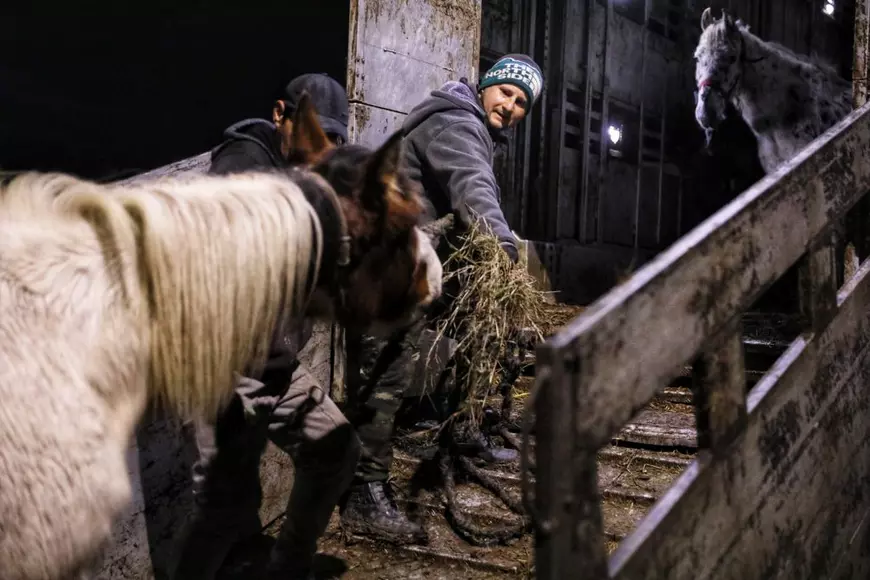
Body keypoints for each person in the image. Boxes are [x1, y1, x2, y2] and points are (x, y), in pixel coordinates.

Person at [339, 54, 544, 544]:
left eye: (521, 102)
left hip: (421, 260)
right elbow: (473, 188)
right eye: (505, 92)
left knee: (484, 317)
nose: (510, 105)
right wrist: (505, 247)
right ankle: (363, 493)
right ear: (485, 86)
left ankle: (463, 429)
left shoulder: (472, 125)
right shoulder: (456, 123)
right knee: (386, 367)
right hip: (386, 267)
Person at [168, 73, 355, 580]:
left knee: (335, 451)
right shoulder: (243, 166)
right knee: (225, 504)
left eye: (333, 141)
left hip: (274, 361)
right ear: (281, 115)